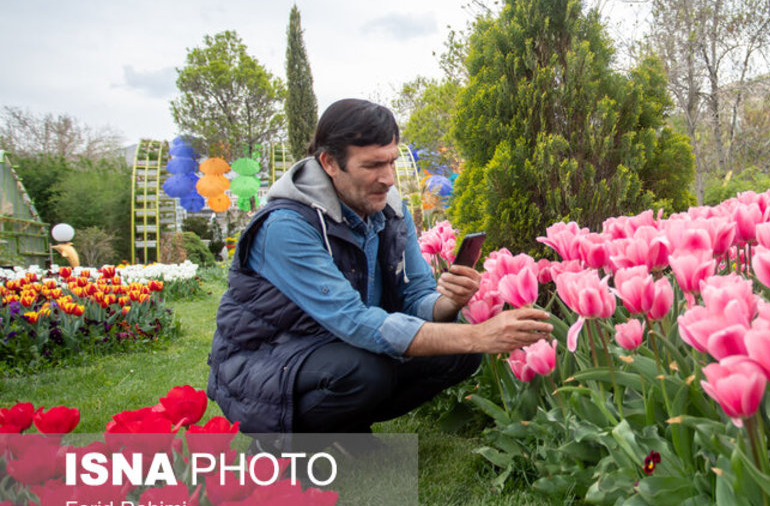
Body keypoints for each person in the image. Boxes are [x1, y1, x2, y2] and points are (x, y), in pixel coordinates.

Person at [207, 98, 552, 438]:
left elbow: (416, 295)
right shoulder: (286, 226)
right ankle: (295, 439)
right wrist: (480, 334)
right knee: (368, 371)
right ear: (329, 162)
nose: (388, 178)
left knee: (459, 355)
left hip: (340, 351)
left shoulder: (390, 210)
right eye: (373, 165)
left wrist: (449, 302)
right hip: (269, 366)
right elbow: (353, 320)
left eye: (391, 161)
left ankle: (344, 427)